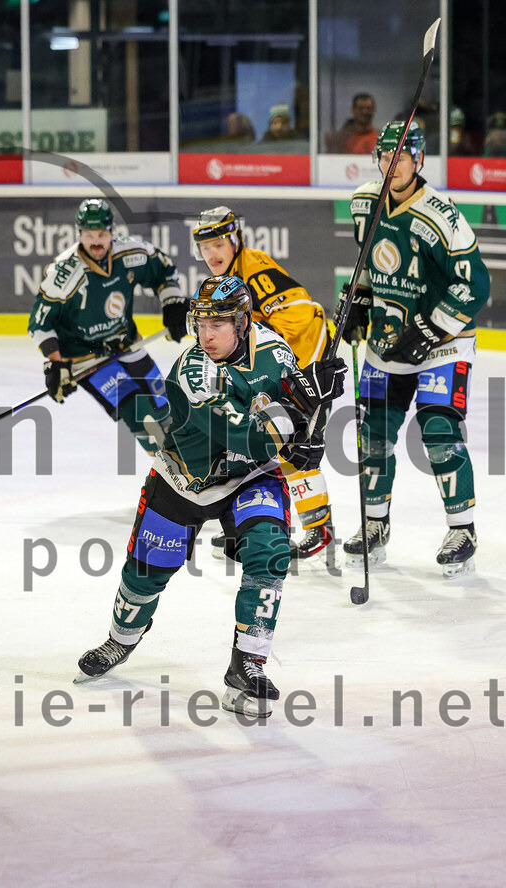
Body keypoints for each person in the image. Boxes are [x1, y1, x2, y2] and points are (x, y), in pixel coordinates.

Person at [74, 276, 346, 717]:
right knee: (145, 575)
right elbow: (243, 434)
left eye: (218, 323)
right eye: (201, 323)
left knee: (270, 554)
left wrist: (315, 407)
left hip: (251, 479)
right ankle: (120, 640)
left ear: (243, 321)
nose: (207, 334)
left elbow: (297, 415)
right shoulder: (191, 371)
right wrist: (298, 409)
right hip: (184, 481)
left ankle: (247, 667)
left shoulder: (275, 351)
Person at [340, 120, 490, 577]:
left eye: (401, 158)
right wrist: (359, 301)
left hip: (444, 342)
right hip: (388, 340)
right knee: (374, 432)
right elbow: (368, 259)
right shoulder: (365, 202)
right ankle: (376, 524)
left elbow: (475, 284)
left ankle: (463, 528)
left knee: (438, 429)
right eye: (385, 157)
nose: (391, 165)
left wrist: (430, 330)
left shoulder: (442, 215)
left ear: (418, 160)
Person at [193, 207, 337, 565]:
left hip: (305, 363)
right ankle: (252, 526)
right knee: (256, 443)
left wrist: (298, 380)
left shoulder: (253, 269)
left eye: (218, 243)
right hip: (285, 367)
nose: (211, 254)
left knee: (292, 445)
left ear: (235, 239)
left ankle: (318, 529)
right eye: (204, 246)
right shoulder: (232, 276)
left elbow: (304, 318)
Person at [28, 198, 188, 455]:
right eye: (89, 234)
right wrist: (56, 364)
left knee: (168, 409)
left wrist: (173, 304)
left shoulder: (130, 254)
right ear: (79, 234)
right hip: (87, 359)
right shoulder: (63, 274)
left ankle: (196, 467)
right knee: (142, 417)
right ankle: (173, 476)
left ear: (112, 232)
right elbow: (39, 323)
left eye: (102, 234)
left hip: (128, 344)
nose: (96, 241)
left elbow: (164, 268)